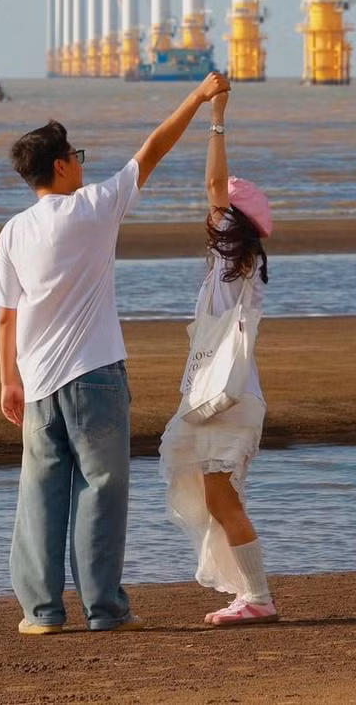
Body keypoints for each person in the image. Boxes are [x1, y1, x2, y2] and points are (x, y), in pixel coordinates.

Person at [0, 70, 230, 635]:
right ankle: (104, 608)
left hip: (37, 382)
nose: (81, 163)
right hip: (95, 373)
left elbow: (6, 315)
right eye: (75, 155)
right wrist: (198, 97)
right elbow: (153, 150)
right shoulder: (95, 206)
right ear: (60, 167)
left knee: (40, 495)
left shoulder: (13, 231)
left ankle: (41, 612)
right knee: (101, 489)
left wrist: (8, 381)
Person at [158, 81, 278, 626]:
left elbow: (211, 184)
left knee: (223, 500)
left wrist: (217, 114)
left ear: (234, 223)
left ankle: (258, 598)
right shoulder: (227, 270)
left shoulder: (234, 265)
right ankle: (249, 593)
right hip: (224, 399)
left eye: (220, 210)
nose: (209, 213)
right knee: (218, 499)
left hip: (230, 401)